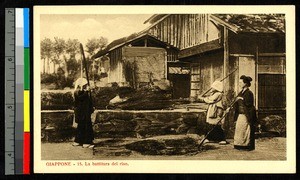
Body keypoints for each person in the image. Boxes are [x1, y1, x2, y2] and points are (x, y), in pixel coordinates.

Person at [230, 75, 257, 151]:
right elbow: (236, 102)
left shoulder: (249, 93)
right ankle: (239, 145)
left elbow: (249, 104)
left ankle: (246, 146)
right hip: (240, 114)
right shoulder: (241, 92)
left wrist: (241, 99)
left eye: (240, 82)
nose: (239, 84)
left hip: (246, 114)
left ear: (245, 84)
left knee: (245, 130)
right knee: (240, 130)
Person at [198, 80, 227, 145]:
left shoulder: (218, 94)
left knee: (216, 124)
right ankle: (210, 138)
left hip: (216, 110)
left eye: (213, 87)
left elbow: (210, 99)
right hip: (213, 109)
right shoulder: (215, 93)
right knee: (211, 125)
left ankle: (222, 139)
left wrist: (201, 98)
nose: (212, 88)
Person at [72, 78, 95, 148]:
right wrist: (87, 92)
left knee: (81, 126)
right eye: (85, 85)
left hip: (84, 112)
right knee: (86, 126)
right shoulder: (78, 92)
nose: (86, 86)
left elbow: (88, 102)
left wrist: (91, 108)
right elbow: (80, 98)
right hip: (83, 112)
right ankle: (86, 142)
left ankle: (79, 141)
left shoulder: (83, 92)